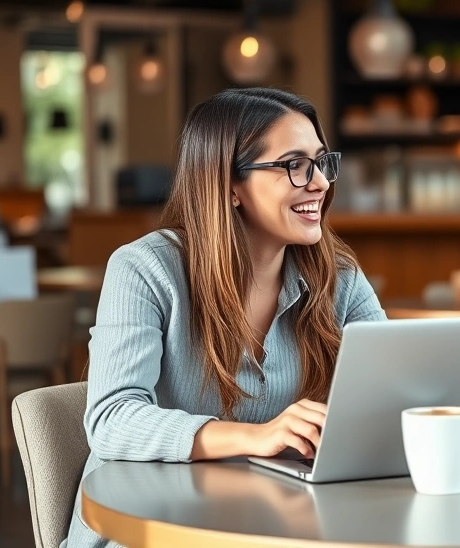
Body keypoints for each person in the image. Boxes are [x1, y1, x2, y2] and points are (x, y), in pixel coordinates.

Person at [65, 88, 385, 548]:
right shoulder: (145, 269)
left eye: (321, 161)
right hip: (149, 529)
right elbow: (112, 420)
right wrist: (256, 437)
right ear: (230, 186)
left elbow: (393, 396)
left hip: (270, 525)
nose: (319, 183)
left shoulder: (339, 278)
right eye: (294, 165)